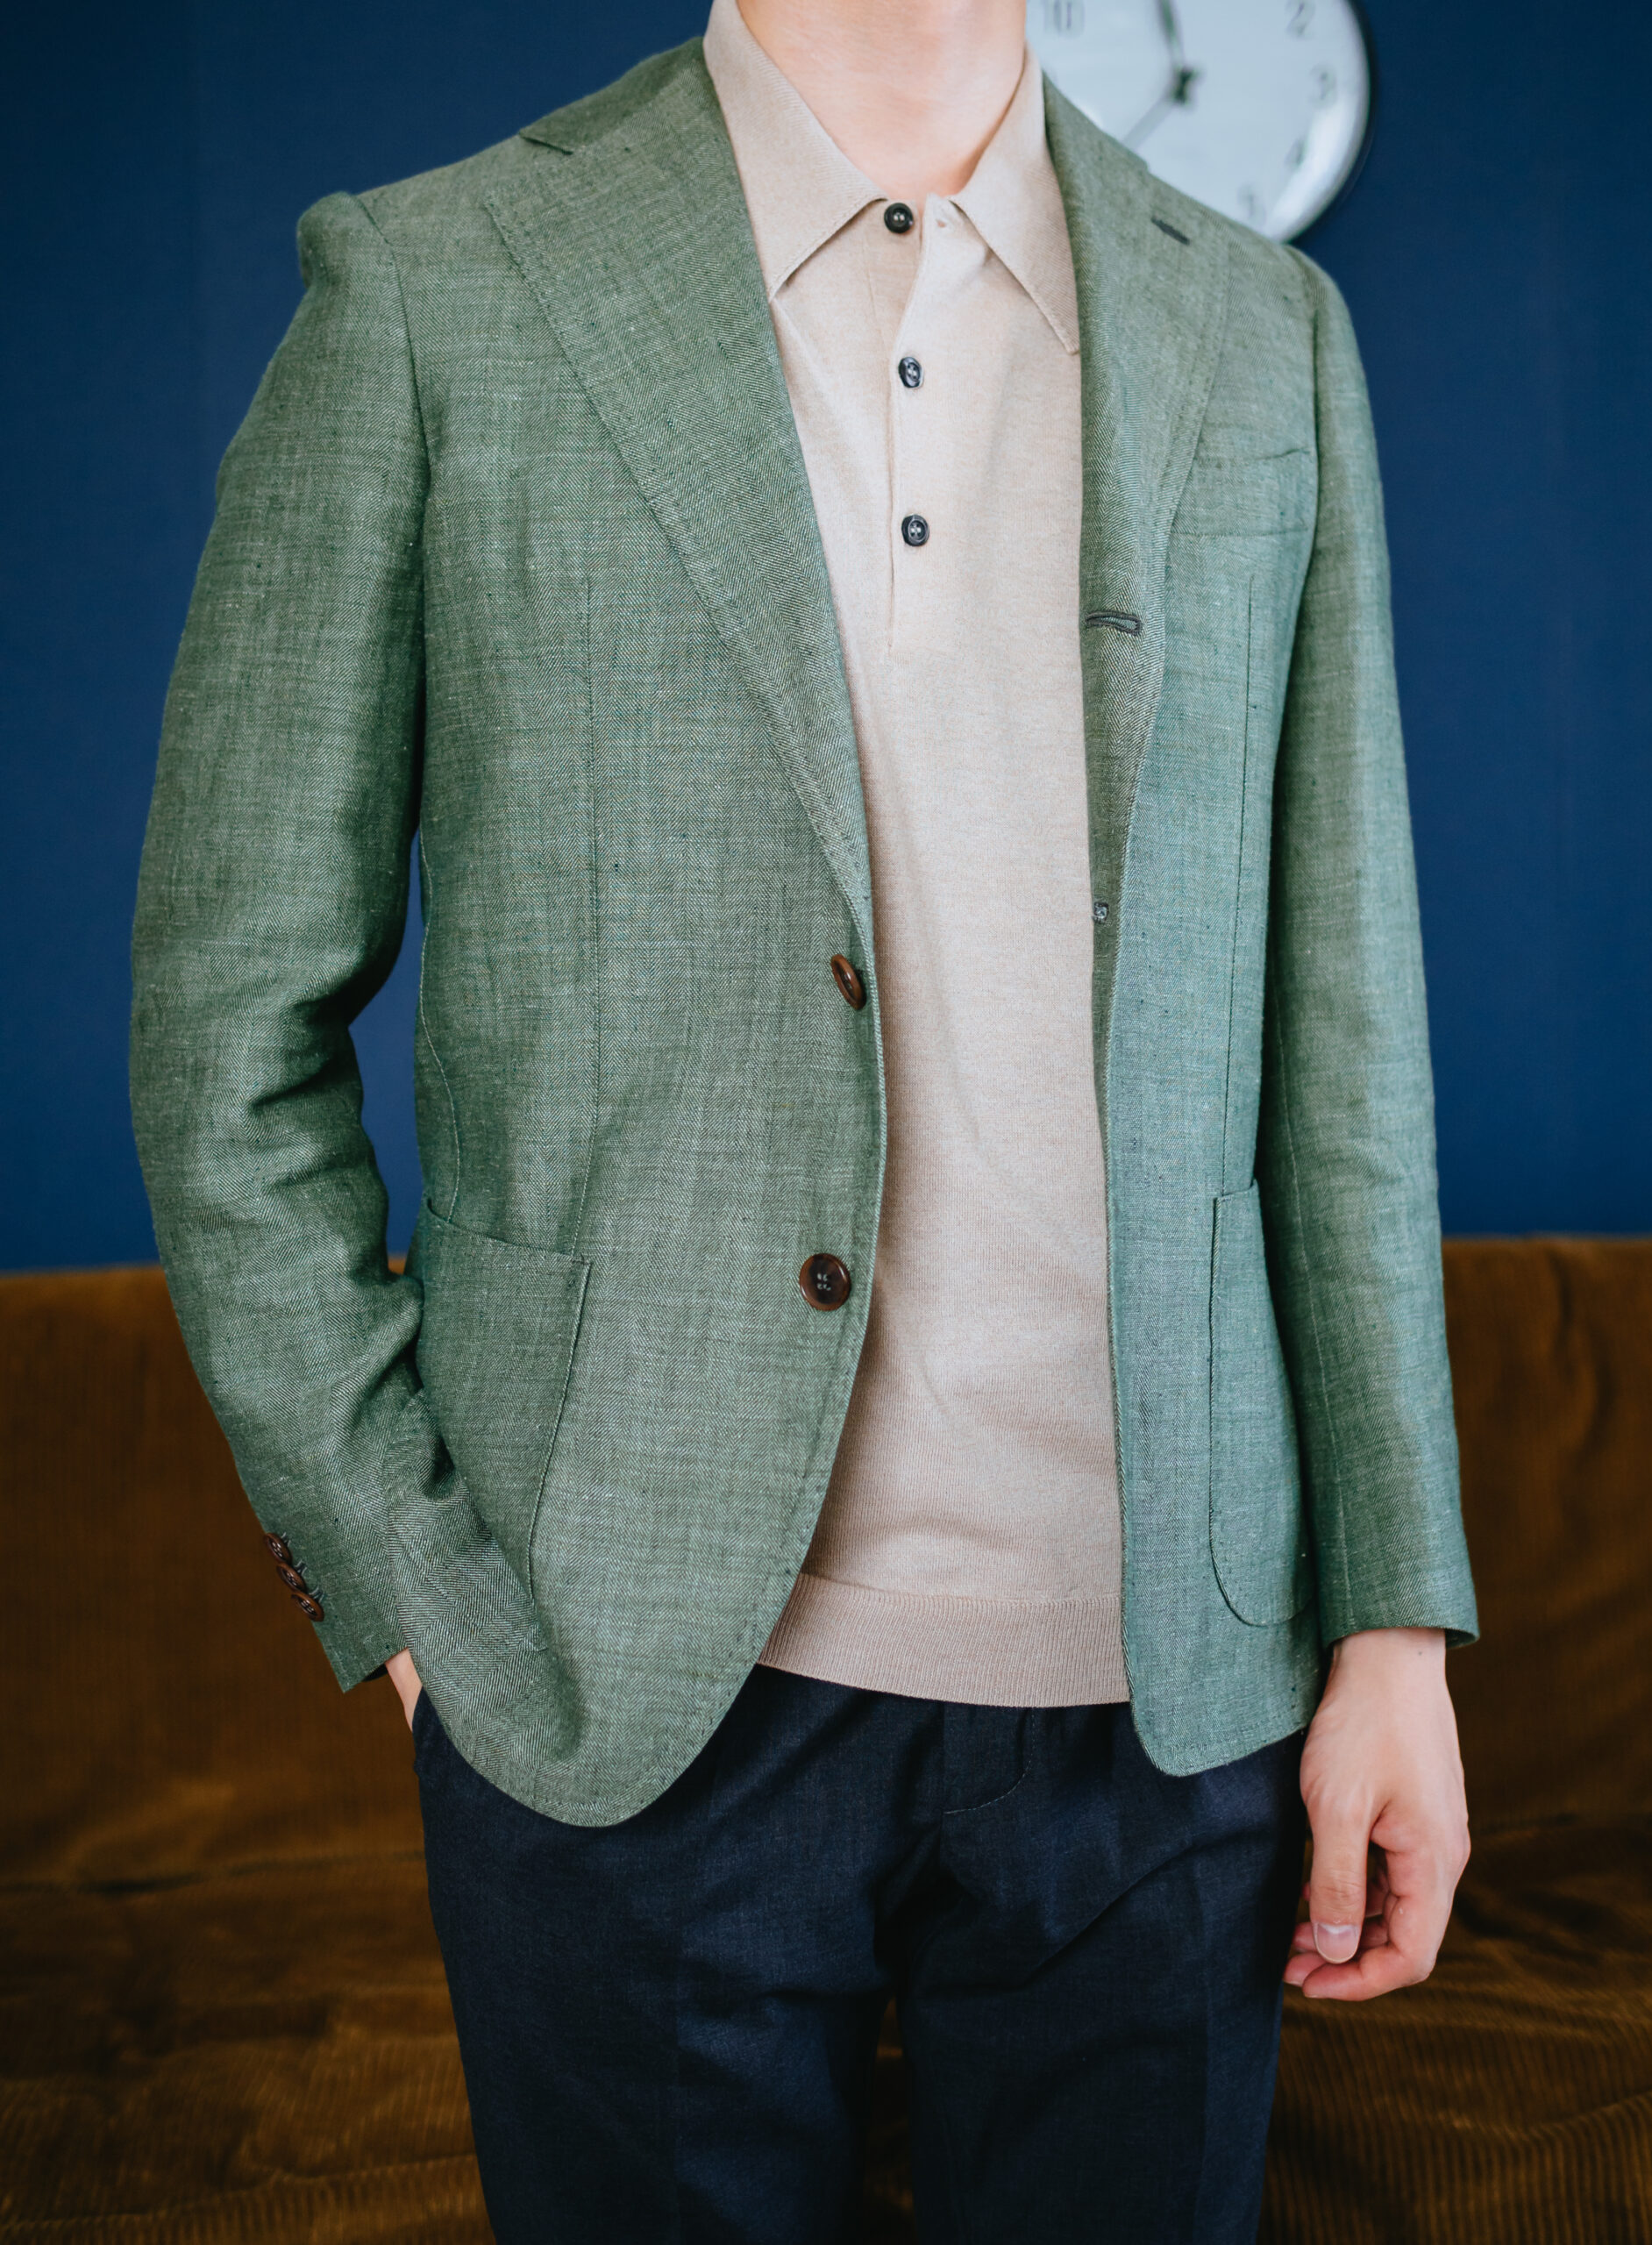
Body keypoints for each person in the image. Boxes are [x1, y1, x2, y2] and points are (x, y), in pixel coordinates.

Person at [131, 0, 1478, 2235]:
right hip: (622, 1686)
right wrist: (414, 1586)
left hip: (1178, 1701)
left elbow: (1345, 1048)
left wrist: (1394, 1623)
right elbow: (224, 1027)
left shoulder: (1269, 334)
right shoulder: (432, 285)